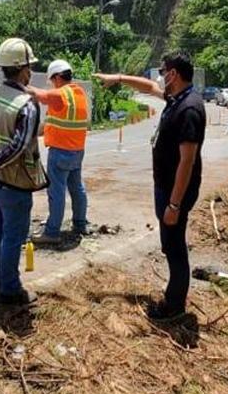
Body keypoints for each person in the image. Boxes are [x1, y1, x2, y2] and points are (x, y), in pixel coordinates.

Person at [95, 53, 205, 321]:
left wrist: (174, 205)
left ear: (174, 74)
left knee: (175, 246)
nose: (160, 76)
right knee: (170, 243)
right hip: (166, 188)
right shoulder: (177, 97)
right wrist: (118, 78)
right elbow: (149, 88)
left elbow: (187, 162)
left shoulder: (189, 108)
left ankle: (174, 306)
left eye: (163, 70)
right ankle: (174, 298)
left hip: (174, 192)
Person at [0, 38, 48, 306]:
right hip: (14, 182)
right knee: (12, 236)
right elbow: (19, 145)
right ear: (24, 68)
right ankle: (10, 289)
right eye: (30, 66)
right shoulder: (25, 104)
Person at [28, 59, 90, 244]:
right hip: (77, 151)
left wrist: (20, 85)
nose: (52, 84)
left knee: (57, 192)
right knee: (77, 189)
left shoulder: (62, 94)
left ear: (57, 77)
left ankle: (52, 232)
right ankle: (80, 224)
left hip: (61, 152)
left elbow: (41, 95)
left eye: (52, 80)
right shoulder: (79, 94)